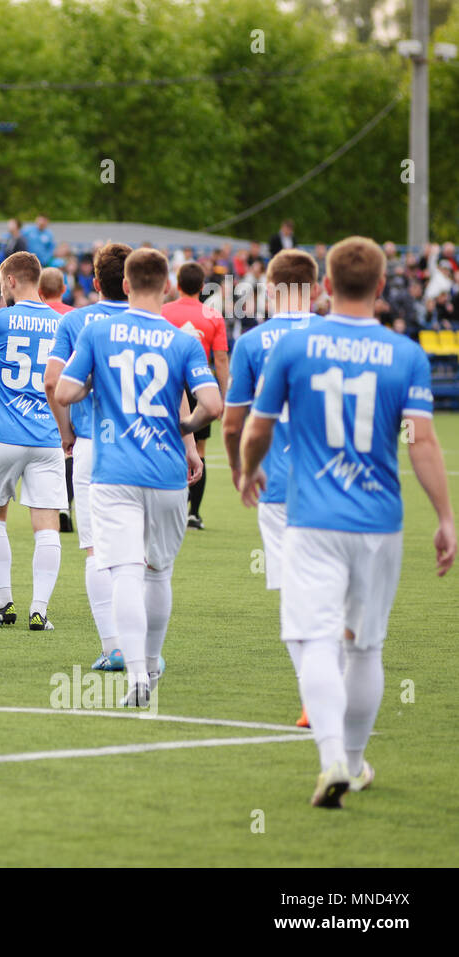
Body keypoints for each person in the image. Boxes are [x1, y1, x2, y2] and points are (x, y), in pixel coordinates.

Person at [239, 235, 454, 807]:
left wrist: (246, 472)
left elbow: (257, 428)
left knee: (314, 637)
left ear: (327, 288)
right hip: (380, 521)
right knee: (364, 648)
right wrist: (445, 517)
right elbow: (423, 443)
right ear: (383, 288)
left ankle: (331, 756)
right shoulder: (404, 353)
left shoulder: (294, 347)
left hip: (312, 515)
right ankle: (355, 764)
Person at [56, 248, 219, 707]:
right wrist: (183, 431)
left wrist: (94, 385)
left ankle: (135, 678)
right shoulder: (182, 339)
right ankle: (151, 659)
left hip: (114, 470)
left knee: (123, 568)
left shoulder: (98, 330)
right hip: (166, 471)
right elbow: (212, 404)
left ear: (125, 286)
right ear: (166, 287)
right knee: (157, 572)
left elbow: (64, 391)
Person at [221, 249, 320, 727]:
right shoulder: (336, 335)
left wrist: (242, 472)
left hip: (277, 485)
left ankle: (314, 695)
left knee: (295, 596)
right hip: (339, 487)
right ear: (316, 288)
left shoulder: (255, 341)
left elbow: (233, 423)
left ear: (271, 290)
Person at [44, 242, 134, 668]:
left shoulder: (76, 320)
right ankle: (146, 653)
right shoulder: (156, 324)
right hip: (146, 447)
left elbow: (51, 382)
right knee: (141, 556)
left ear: (95, 282)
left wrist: (66, 434)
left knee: (98, 549)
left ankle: (113, 646)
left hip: (93, 443)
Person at [0, 252, 66, 629]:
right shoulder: (61, 322)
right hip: (46, 435)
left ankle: (4, 603)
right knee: (47, 524)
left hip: (3, 434)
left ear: (9, 281)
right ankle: (39, 610)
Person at [163, 261, 230, 529]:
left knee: (169, 444)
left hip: (168, 384)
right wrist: (223, 397)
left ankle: (172, 509)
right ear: (203, 287)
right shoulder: (213, 316)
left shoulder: (164, 311)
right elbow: (221, 359)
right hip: (200, 385)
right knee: (198, 449)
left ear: (177, 285)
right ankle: (194, 513)